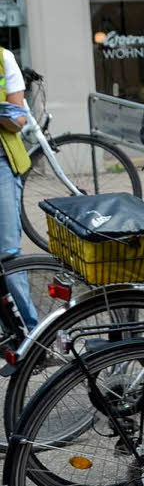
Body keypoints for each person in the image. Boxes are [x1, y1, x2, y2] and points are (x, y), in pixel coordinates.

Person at [0, 47, 35, 332]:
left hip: (1, 161)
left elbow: (19, 120)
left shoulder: (3, 58)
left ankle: (29, 333)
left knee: (7, 251)